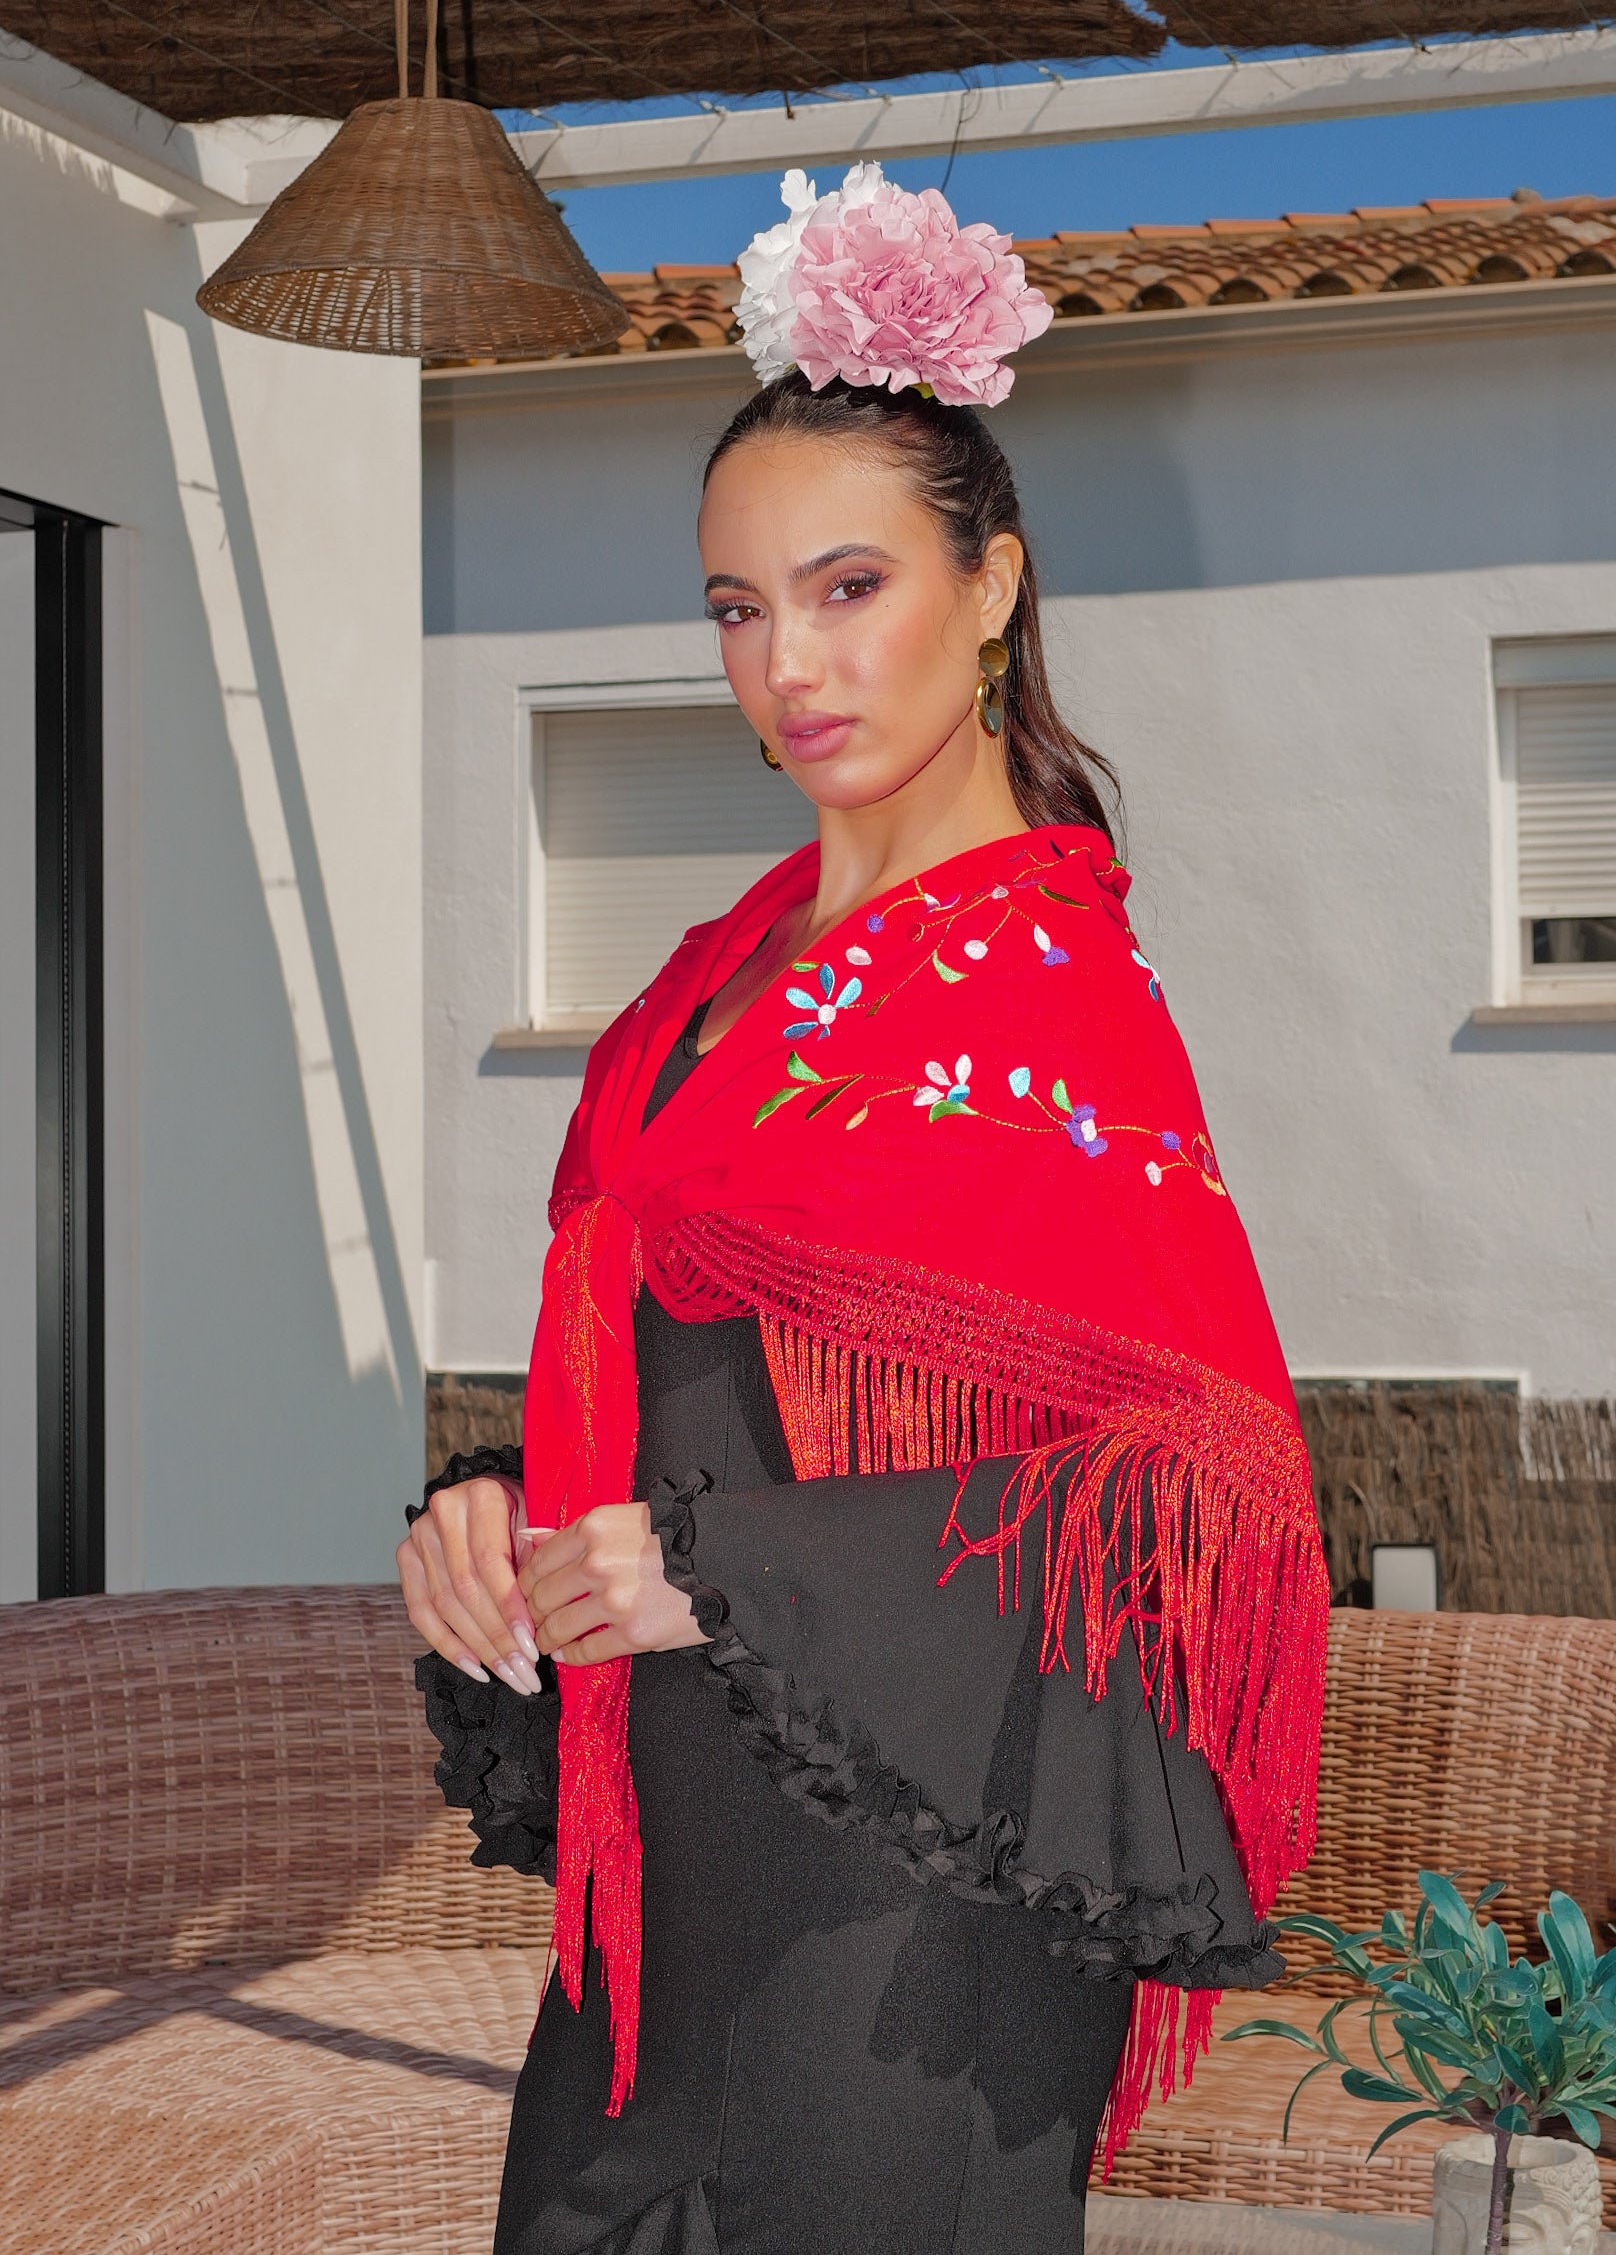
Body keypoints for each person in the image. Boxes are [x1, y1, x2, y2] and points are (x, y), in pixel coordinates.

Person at [397, 162, 1329, 2255]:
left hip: (920, 1906)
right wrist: (489, 1506)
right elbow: (677, 1379)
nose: (788, 661)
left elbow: (1187, 1493)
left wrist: (712, 1565)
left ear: (992, 582)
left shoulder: (1050, 986)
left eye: (848, 587)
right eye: (740, 605)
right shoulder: (714, 977)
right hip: (668, 1868)